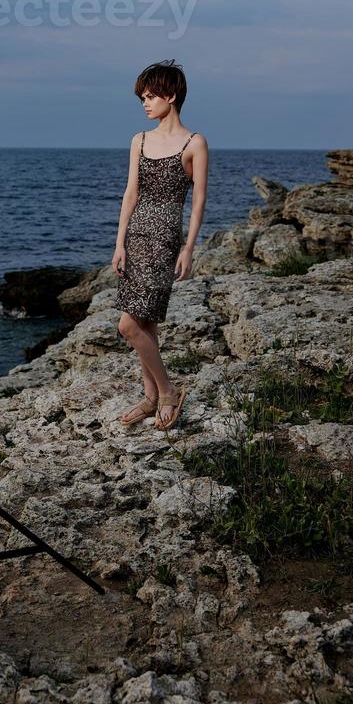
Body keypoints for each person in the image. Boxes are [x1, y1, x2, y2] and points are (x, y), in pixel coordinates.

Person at [112, 59, 208, 430]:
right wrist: (119, 242)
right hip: (136, 237)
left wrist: (189, 248)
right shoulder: (139, 140)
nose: (145, 103)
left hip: (165, 237)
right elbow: (131, 192)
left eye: (151, 96)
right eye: (142, 98)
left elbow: (198, 201)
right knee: (145, 321)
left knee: (128, 326)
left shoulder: (194, 142)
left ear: (171, 95)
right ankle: (151, 398)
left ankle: (166, 391)